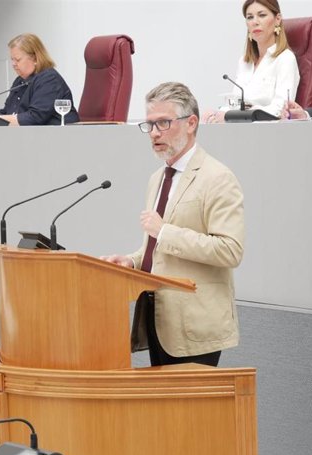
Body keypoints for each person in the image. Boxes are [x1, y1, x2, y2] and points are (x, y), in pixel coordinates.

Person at [101, 82, 245, 367]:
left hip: (195, 325)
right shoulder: (158, 178)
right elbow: (158, 248)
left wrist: (164, 231)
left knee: (192, 414)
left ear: (191, 123)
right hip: (158, 318)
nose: (154, 133)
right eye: (149, 124)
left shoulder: (217, 178)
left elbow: (230, 250)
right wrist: (131, 262)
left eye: (163, 123)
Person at [204, 0, 299, 122]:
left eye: (262, 15)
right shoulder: (244, 62)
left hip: (266, 132)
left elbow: (280, 110)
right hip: (238, 127)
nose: (255, 22)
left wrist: (231, 116)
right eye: (250, 17)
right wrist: (218, 113)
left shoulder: (286, 59)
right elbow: (236, 103)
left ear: (277, 19)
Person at [0, 33, 79, 126]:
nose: (13, 64)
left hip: (57, 136)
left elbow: (35, 117)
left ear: (35, 58)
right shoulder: (19, 81)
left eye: (17, 60)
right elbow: (8, 112)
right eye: (12, 59)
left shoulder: (49, 79)